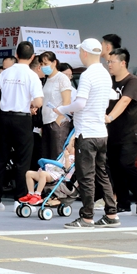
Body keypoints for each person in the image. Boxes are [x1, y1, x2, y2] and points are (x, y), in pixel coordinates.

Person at [54, 38, 119, 229]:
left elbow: (80, 103)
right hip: (101, 132)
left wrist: (63, 109)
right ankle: (111, 214)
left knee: (86, 176)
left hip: (87, 133)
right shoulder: (105, 74)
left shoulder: (87, 75)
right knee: (101, 174)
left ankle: (87, 217)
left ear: (84, 53)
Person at [0, 41, 44, 213]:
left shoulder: (5, 73)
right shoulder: (32, 76)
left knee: (1, 159)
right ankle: (20, 200)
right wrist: (32, 104)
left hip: (5, 118)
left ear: (16, 55)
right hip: (22, 119)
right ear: (33, 57)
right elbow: (38, 101)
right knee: (22, 160)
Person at [105, 48, 137, 215]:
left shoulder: (132, 81)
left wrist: (109, 117)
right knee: (115, 167)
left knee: (125, 164)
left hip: (131, 133)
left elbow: (123, 102)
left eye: (112, 62)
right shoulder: (109, 82)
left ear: (123, 63)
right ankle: (123, 203)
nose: (109, 65)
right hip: (113, 133)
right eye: (108, 62)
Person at [40, 51, 73, 161]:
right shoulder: (46, 80)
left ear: (54, 62)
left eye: (46, 63)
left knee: (57, 156)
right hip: (47, 123)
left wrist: (58, 121)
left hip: (58, 123)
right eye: (42, 64)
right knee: (47, 156)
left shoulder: (62, 78)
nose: (43, 67)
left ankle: (60, 178)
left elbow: (67, 101)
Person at [19, 142, 74, 207]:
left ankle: (38, 194)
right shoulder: (63, 155)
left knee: (43, 174)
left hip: (57, 175)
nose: (68, 148)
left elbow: (67, 169)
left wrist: (67, 157)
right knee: (29, 173)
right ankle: (31, 193)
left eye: (72, 147)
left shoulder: (72, 158)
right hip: (51, 172)